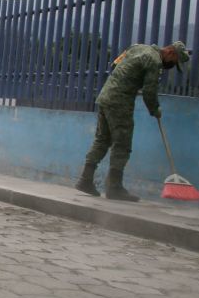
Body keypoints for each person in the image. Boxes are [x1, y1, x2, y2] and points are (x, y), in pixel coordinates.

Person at [75, 41, 189, 201]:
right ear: (171, 52)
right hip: (120, 102)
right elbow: (150, 91)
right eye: (174, 62)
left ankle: (85, 180)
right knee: (122, 143)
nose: (170, 66)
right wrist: (155, 110)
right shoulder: (155, 61)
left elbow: (115, 65)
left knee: (102, 140)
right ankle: (114, 187)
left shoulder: (137, 47)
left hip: (105, 96)